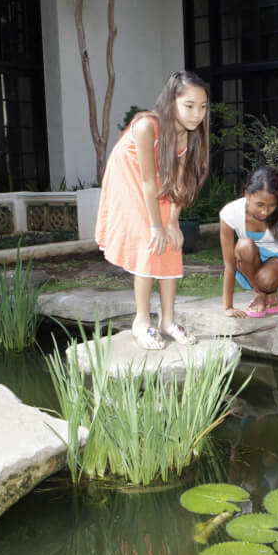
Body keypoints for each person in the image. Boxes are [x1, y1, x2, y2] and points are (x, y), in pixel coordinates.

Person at [94, 71, 210, 350]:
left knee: (171, 241)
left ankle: (167, 320)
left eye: (203, 107)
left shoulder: (190, 135)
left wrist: (172, 223)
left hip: (158, 179)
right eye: (189, 105)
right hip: (129, 174)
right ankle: (141, 321)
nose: (197, 114)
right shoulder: (148, 126)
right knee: (149, 239)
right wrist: (156, 225)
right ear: (172, 103)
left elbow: (181, 182)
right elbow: (147, 180)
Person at [218, 166, 278, 325]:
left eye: (272, 205)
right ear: (247, 194)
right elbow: (230, 264)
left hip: (277, 263)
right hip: (248, 262)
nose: (265, 211)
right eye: (259, 204)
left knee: (267, 278)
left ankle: (270, 290)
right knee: (244, 245)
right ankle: (261, 294)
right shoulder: (229, 213)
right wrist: (228, 307)